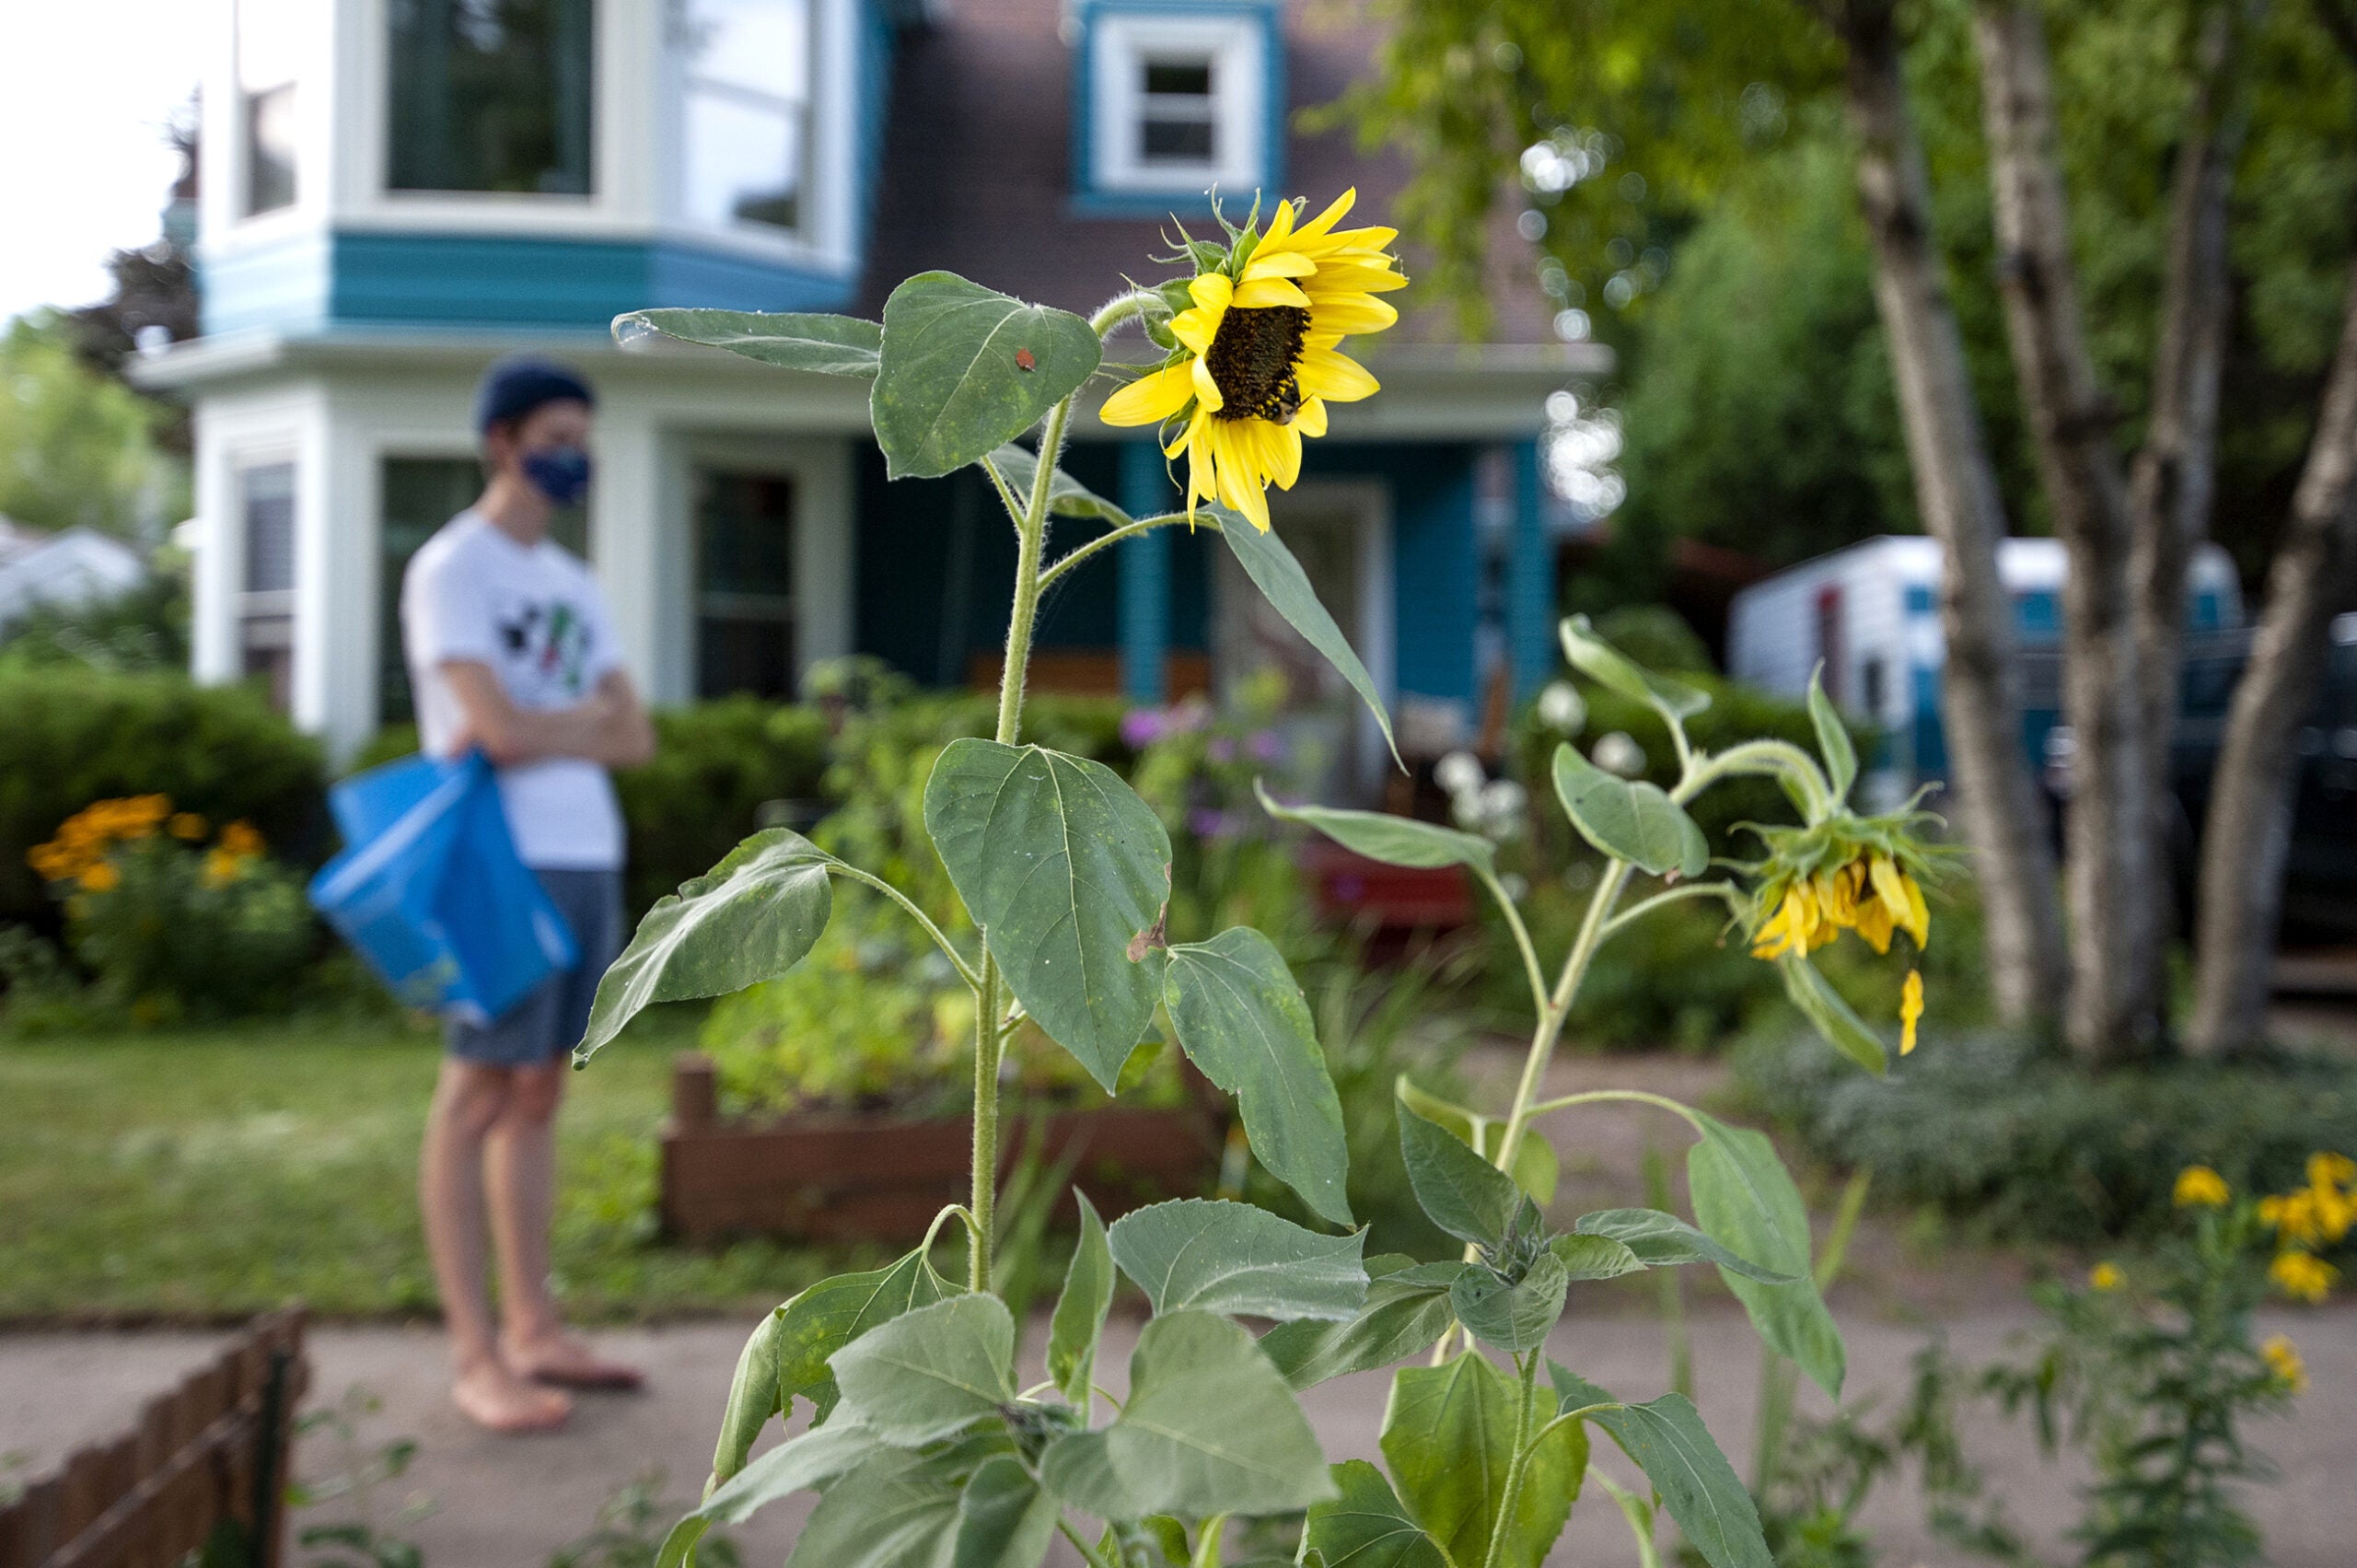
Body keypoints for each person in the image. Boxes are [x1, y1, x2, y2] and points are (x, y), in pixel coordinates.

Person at [401, 355, 656, 1434]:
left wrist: (537, 732)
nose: (575, 453)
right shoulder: (453, 569)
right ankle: (474, 1353)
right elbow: (491, 735)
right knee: (476, 1093)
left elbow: (633, 736)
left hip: (585, 852)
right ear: (502, 440)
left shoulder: (572, 583)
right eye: (557, 432)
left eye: (584, 435)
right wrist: (565, 730)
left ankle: (535, 1327)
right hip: (494, 861)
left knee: (541, 1091)